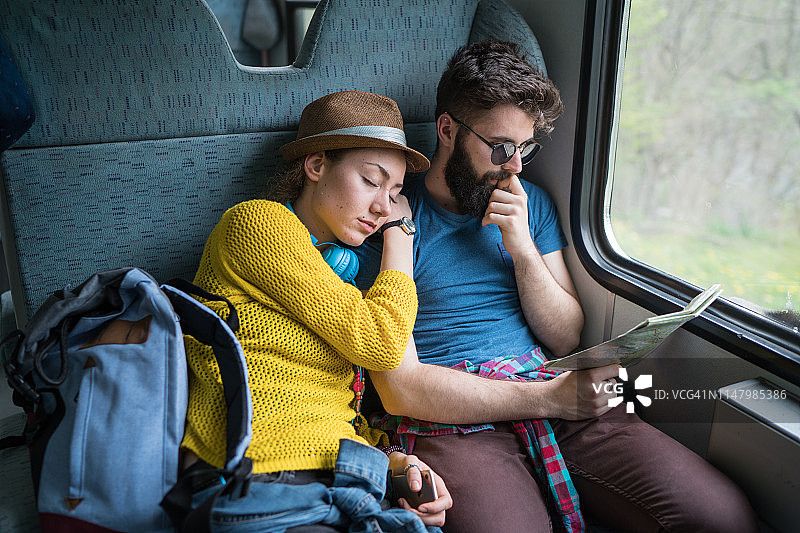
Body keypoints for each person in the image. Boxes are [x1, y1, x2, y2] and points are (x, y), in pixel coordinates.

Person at [351, 41, 759, 533]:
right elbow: (399, 390)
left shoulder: (532, 205)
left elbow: (566, 337)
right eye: (501, 148)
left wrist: (521, 247)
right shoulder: (388, 219)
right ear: (447, 130)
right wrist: (550, 400)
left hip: (547, 381)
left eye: (526, 149)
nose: (516, 166)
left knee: (722, 515)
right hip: (451, 413)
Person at [179, 90, 452, 532]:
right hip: (263, 480)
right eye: (371, 180)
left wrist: (394, 464)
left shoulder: (349, 272)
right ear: (317, 165)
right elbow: (381, 344)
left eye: (396, 192)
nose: (384, 207)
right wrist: (403, 234)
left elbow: (324, 398)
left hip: (346, 481)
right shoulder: (257, 224)